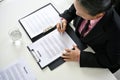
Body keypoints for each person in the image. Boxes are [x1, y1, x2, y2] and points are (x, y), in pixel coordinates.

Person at [56, 0, 120, 73]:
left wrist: (80, 56)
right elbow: (77, 6)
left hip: (94, 57)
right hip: (78, 40)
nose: (76, 13)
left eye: (81, 14)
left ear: (98, 15)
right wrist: (65, 18)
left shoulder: (116, 31)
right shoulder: (85, 4)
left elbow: (113, 61)